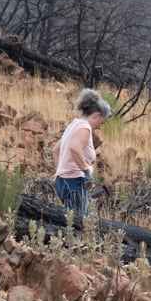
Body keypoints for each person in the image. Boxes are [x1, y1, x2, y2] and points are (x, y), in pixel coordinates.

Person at [53, 88, 112, 219]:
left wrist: (60, 173)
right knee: (82, 223)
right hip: (75, 182)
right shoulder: (84, 127)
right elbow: (74, 148)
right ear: (96, 115)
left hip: (63, 182)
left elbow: (56, 151)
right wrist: (86, 171)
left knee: (72, 220)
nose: (100, 126)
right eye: (102, 122)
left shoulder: (73, 125)